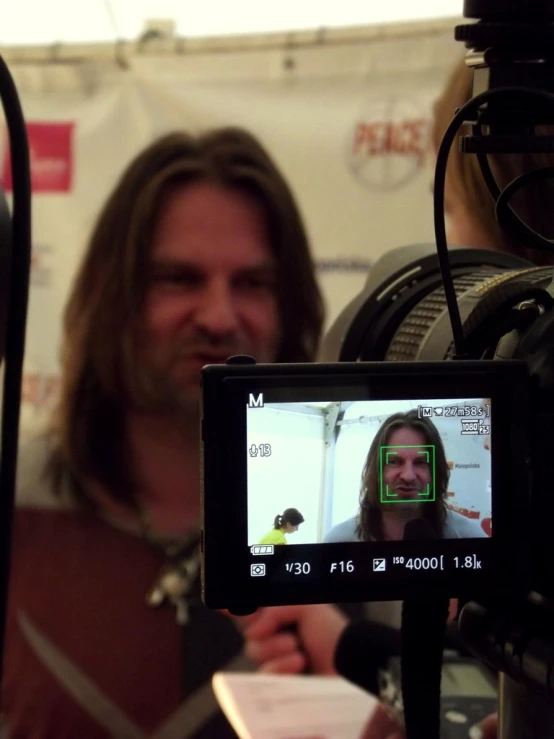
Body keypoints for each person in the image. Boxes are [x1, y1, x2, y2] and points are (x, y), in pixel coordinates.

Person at [2, 126, 327, 738]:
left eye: (252, 284)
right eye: (179, 279)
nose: (219, 317)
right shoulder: (15, 500)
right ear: (114, 298)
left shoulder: (350, 531)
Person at [324, 410, 485, 543]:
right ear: (376, 469)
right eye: (394, 461)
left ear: (437, 471)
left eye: (421, 462)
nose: (408, 476)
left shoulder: (470, 536)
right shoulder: (338, 541)